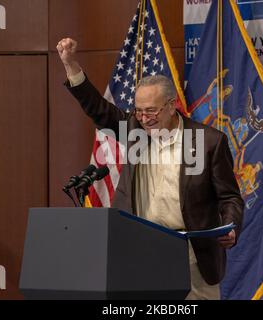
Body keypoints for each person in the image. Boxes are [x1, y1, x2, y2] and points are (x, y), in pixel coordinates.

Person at [57, 38, 244, 300]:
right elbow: (98, 110)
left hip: (191, 254)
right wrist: (71, 65)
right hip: (142, 250)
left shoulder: (207, 141)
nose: (144, 118)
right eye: (139, 111)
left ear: (172, 105)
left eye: (152, 111)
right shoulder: (135, 130)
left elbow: (229, 197)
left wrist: (231, 226)